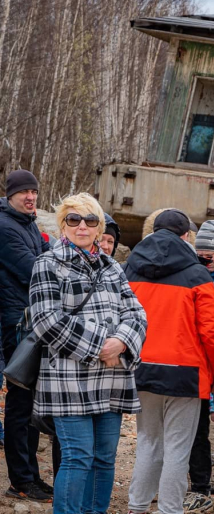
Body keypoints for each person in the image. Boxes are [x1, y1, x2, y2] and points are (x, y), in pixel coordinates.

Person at [29, 192, 147, 513]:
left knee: (105, 457)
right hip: (69, 378)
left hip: (112, 378)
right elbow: (46, 321)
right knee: (78, 456)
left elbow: (137, 314)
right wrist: (101, 347)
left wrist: (121, 342)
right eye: (74, 219)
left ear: (99, 227)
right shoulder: (47, 263)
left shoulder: (111, 267)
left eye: (90, 220)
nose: (82, 226)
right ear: (63, 225)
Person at [125, 209, 214, 514]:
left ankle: (137, 506)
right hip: (185, 374)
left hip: (142, 368)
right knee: (177, 448)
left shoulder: (130, 268)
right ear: (186, 236)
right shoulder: (197, 274)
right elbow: (212, 332)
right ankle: (170, 509)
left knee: (148, 442)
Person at [0, 169, 53, 502]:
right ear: (10, 195)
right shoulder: (5, 227)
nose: (31, 197)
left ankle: (29, 476)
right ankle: (20, 480)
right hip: (16, 325)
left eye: (34, 191)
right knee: (21, 405)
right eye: (24, 192)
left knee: (31, 403)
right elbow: (34, 270)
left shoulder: (27, 223)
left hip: (30, 323)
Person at [187, 218, 214, 510]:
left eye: (213, 253)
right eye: (201, 252)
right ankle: (200, 485)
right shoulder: (190, 276)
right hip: (196, 366)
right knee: (197, 432)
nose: (207, 258)